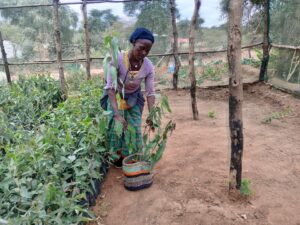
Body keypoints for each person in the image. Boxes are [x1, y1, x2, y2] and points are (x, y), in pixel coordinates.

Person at [104, 27, 156, 166]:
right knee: (116, 129)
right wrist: (116, 114)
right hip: (116, 97)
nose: (143, 53)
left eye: (147, 50)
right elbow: (109, 88)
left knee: (134, 129)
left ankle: (130, 157)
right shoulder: (118, 59)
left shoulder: (148, 66)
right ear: (133, 43)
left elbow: (150, 93)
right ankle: (116, 158)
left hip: (133, 99)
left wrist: (152, 114)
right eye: (141, 48)